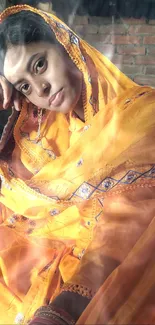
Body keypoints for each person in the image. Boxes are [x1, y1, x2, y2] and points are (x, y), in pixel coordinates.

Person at [0, 4, 155, 325]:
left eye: (40, 64)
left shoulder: (143, 116)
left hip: (102, 271)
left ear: (67, 45)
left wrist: (63, 309)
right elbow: (13, 202)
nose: (40, 89)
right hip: (37, 264)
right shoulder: (37, 130)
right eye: (25, 85)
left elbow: (128, 225)